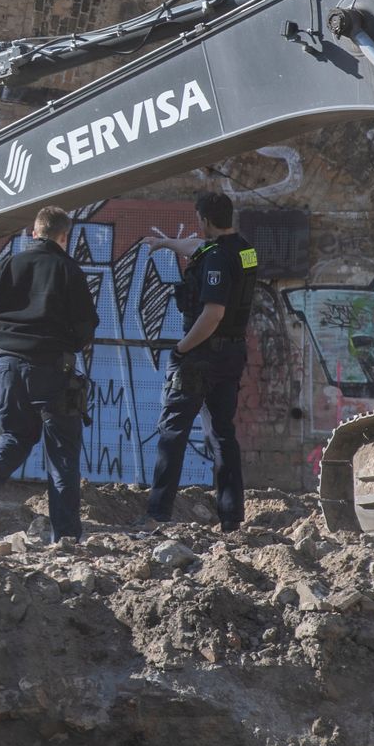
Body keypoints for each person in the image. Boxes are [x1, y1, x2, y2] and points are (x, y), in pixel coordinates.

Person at [0, 206, 99, 542]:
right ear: (64, 236)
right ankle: (65, 537)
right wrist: (68, 344)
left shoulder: (8, 264)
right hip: (53, 367)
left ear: (34, 232)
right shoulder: (68, 269)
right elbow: (87, 325)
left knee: (15, 435)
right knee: (62, 453)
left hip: (9, 365)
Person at [145, 190, 260, 532]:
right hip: (232, 353)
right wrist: (166, 244)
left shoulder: (215, 260)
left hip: (201, 356)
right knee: (222, 433)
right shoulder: (245, 251)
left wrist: (182, 348)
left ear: (206, 220)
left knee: (172, 431)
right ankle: (231, 516)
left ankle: (157, 513)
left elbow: (212, 314)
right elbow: (199, 246)